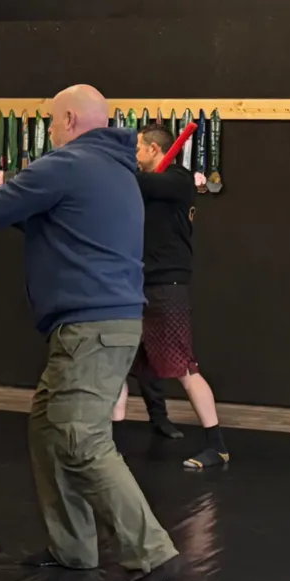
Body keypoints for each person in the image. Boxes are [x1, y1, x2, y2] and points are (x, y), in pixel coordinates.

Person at [0, 84, 183, 581]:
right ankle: (75, 547)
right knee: (49, 427)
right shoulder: (114, 168)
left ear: (70, 119)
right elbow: (26, 213)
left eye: (52, 123)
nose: (50, 132)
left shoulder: (68, 164)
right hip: (98, 324)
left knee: (80, 438)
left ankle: (154, 553)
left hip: (90, 328)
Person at [109, 123, 231, 469]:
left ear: (152, 149)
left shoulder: (177, 180)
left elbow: (138, 181)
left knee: (184, 368)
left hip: (167, 284)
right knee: (119, 366)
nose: (134, 154)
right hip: (135, 282)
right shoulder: (141, 186)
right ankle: (111, 447)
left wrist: (113, 168)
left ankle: (216, 445)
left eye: (136, 148)